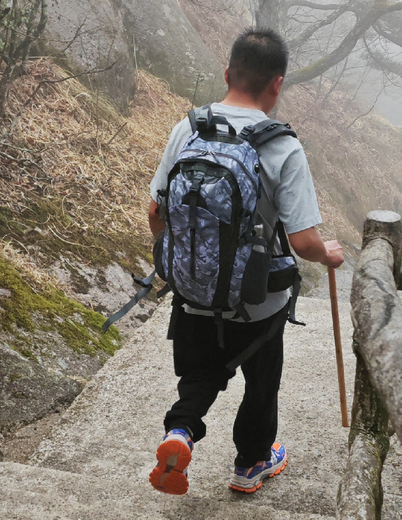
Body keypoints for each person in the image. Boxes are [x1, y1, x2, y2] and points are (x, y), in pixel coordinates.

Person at [147, 27, 344, 496]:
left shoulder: (189, 128)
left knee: (202, 373)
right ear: (278, 84)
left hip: (193, 291)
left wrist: (185, 262)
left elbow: (156, 212)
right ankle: (251, 463)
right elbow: (303, 241)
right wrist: (330, 254)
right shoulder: (282, 146)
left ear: (227, 72)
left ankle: (179, 433)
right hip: (258, 298)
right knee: (261, 382)